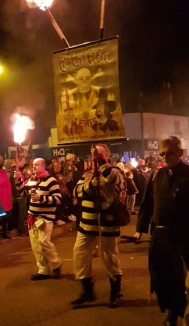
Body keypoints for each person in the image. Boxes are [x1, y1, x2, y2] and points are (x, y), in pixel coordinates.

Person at [135, 136, 189, 326]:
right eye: (162, 153)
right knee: (163, 277)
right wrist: (140, 228)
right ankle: (171, 310)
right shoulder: (157, 175)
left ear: (180, 153)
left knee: (182, 279)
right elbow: (147, 202)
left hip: (182, 236)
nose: (165, 157)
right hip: (160, 235)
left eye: (169, 153)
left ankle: (179, 313)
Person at [71, 144, 124, 308]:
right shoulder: (87, 175)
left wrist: (103, 165)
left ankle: (115, 292)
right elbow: (75, 192)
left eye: (99, 154)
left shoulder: (115, 171)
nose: (95, 157)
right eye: (94, 155)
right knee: (80, 255)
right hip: (86, 223)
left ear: (106, 156)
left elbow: (112, 180)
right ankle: (87, 291)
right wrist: (89, 185)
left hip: (107, 223)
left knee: (110, 257)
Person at [26, 158, 63, 281]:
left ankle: (56, 263)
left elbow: (58, 199)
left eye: (36, 165)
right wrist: (17, 181)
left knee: (44, 242)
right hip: (33, 217)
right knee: (36, 246)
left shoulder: (51, 180)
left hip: (45, 217)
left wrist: (40, 198)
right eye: (33, 165)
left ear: (43, 166)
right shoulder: (32, 179)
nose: (34, 167)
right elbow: (23, 192)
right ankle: (43, 270)